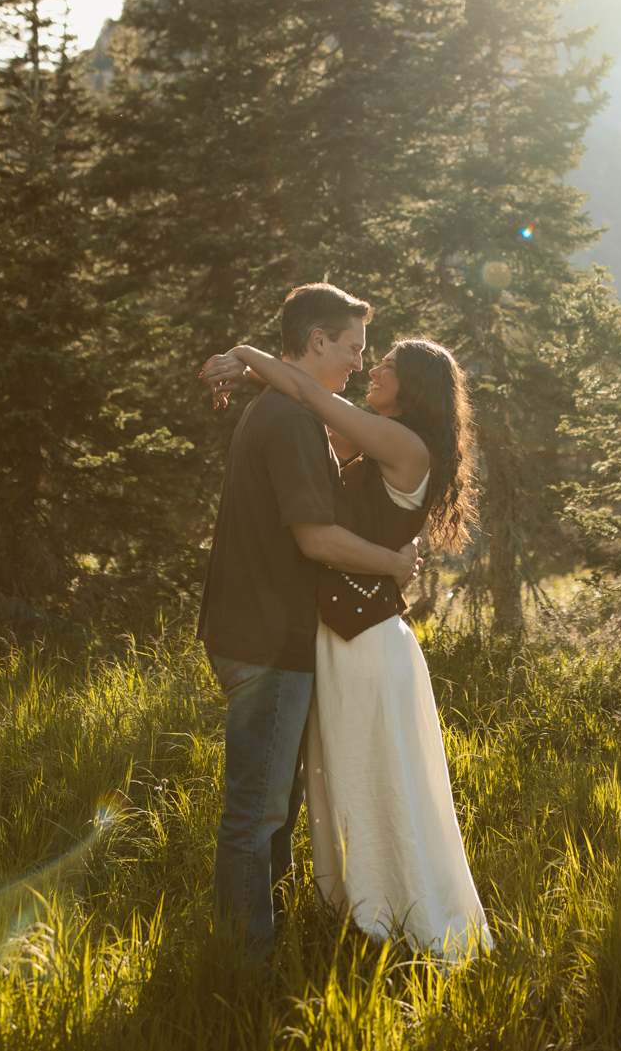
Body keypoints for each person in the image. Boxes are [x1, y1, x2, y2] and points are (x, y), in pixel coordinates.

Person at [200, 335, 493, 960]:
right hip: (339, 639)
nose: (371, 369)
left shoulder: (404, 442)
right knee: (349, 786)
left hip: (364, 644)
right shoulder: (376, 436)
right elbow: (309, 418)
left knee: (378, 785)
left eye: (385, 364)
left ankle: (405, 919)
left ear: (413, 385)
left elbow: (311, 393)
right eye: (370, 356)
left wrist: (247, 353)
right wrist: (257, 381)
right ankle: (365, 913)